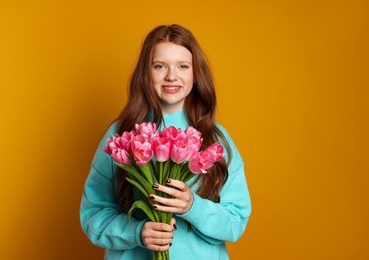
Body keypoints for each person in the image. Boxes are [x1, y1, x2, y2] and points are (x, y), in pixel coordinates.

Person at [80, 24, 251, 259]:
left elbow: (236, 222)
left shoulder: (216, 140)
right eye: (160, 66)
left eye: (183, 66)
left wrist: (192, 207)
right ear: (145, 73)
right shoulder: (121, 135)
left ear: (195, 73)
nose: (172, 76)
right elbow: (93, 214)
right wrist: (137, 233)